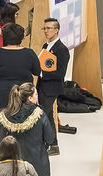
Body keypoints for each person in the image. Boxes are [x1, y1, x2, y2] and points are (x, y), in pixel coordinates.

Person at [0, 82, 55, 176]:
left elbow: (1, 142)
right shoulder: (40, 115)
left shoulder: (6, 116)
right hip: (37, 164)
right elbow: (50, 139)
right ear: (30, 98)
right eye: (36, 94)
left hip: (14, 164)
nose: (38, 96)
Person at [0, 23, 41, 116]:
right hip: (24, 93)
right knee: (24, 124)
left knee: (3, 125)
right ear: (21, 38)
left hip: (1, 94)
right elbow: (37, 72)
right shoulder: (29, 53)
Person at [37, 18, 69, 153]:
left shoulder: (61, 49)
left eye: (48, 28)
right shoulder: (46, 46)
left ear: (56, 30)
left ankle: (47, 143)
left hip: (52, 88)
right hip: (42, 86)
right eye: (44, 28)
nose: (46, 31)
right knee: (48, 116)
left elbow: (60, 73)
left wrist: (42, 74)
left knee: (43, 115)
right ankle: (53, 144)